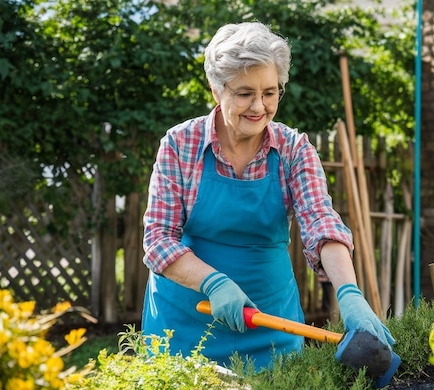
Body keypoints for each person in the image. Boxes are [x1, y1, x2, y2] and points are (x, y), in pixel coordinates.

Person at [141, 21, 394, 371]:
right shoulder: (179, 145)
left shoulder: (294, 150)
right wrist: (214, 282)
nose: (258, 107)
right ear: (217, 90)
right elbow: (158, 240)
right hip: (185, 322)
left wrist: (349, 292)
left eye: (270, 93)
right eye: (244, 93)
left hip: (270, 322)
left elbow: (320, 222)